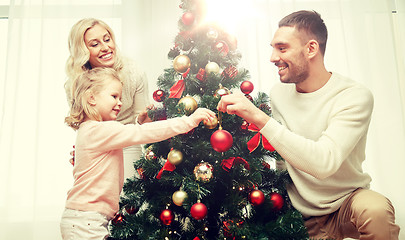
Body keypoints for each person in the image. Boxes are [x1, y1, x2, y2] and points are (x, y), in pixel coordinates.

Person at [217, 10, 400, 240]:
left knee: (376, 211)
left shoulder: (353, 96)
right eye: (272, 48)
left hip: (347, 201)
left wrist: (258, 117)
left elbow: (324, 163)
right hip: (300, 214)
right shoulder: (279, 94)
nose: (273, 57)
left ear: (311, 48)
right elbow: (283, 153)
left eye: (282, 48)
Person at [60, 67, 215, 239]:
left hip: (85, 219)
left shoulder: (90, 130)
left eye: (120, 97)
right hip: (85, 222)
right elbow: (142, 133)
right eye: (114, 96)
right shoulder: (100, 130)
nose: (120, 102)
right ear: (91, 98)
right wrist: (189, 121)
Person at [64, 18, 151, 180]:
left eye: (107, 39)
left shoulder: (133, 72)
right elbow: (82, 126)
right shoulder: (75, 83)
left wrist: (145, 119)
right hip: (97, 146)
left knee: (129, 199)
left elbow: (143, 122)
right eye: (95, 44)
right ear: (82, 51)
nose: (106, 48)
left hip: (127, 143)